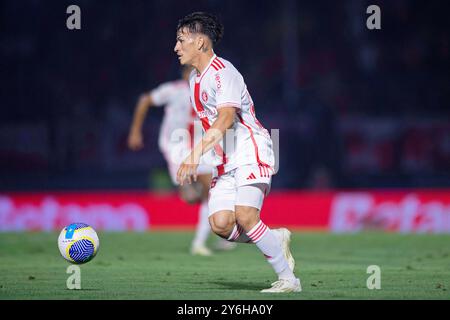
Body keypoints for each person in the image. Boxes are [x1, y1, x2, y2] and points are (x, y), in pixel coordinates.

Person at [174, 12, 301, 293]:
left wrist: (195, 153)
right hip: (224, 159)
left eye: (182, 40)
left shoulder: (223, 73)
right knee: (221, 225)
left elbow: (226, 118)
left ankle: (289, 280)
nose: (176, 47)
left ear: (201, 43)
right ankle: (272, 238)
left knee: (245, 216)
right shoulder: (195, 81)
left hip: (250, 149)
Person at [127, 66, 235, 256]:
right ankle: (215, 231)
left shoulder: (208, 92)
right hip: (175, 149)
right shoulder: (174, 90)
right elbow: (145, 100)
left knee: (212, 189)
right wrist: (135, 131)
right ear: (185, 74)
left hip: (196, 150)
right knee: (193, 197)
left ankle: (202, 241)